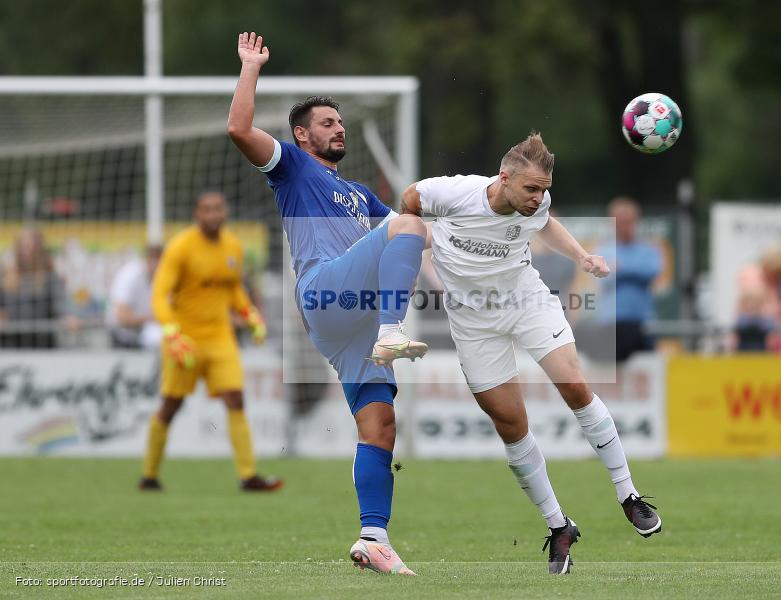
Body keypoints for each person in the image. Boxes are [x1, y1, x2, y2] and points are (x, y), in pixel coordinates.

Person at [401, 133, 662, 575]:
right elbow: (408, 203)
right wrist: (412, 247)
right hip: (472, 321)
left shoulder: (534, 204)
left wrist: (582, 257)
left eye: (545, 190)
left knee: (575, 386)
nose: (539, 198)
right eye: (531, 189)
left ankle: (628, 495)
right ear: (503, 179)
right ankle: (559, 525)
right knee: (511, 425)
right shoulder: (451, 193)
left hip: (527, 301)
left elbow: (545, 223)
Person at [227, 32, 427, 576]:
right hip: (325, 291)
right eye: (327, 123)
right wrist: (251, 68)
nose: (337, 128)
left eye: (340, 123)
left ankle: (374, 537)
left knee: (381, 424)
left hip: (349, 322)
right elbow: (239, 129)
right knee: (407, 224)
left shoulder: (361, 194)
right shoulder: (292, 165)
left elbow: (415, 241)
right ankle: (392, 329)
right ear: (301, 134)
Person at [138, 191, 281, 493]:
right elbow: (159, 295)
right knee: (170, 405)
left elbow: (233, 291)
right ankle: (149, 475)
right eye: (207, 210)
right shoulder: (180, 248)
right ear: (197, 213)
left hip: (219, 337)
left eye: (218, 208)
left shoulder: (233, 247)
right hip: (185, 339)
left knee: (236, 398)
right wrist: (172, 333)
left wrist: (250, 314)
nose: (214, 215)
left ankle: (248, 475)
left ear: (225, 211)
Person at [595, 197, 662, 363]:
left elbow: (652, 271)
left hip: (641, 321)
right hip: (613, 322)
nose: (624, 227)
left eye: (628, 222)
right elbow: (602, 278)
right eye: (620, 222)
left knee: (646, 369)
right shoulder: (604, 250)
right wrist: (631, 271)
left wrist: (621, 269)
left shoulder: (648, 249)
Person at [0, 228, 72, 348]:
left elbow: (60, 304)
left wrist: (68, 316)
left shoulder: (50, 277)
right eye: (23, 247)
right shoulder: (5, 277)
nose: (27, 251)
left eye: (31, 247)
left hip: (41, 345)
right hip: (10, 344)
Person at [107, 245, 163, 349]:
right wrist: (154, 318)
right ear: (147, 260)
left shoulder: (164, 277)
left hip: (145, 334)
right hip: (123, 337)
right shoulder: (130, 275)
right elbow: (122, 316)